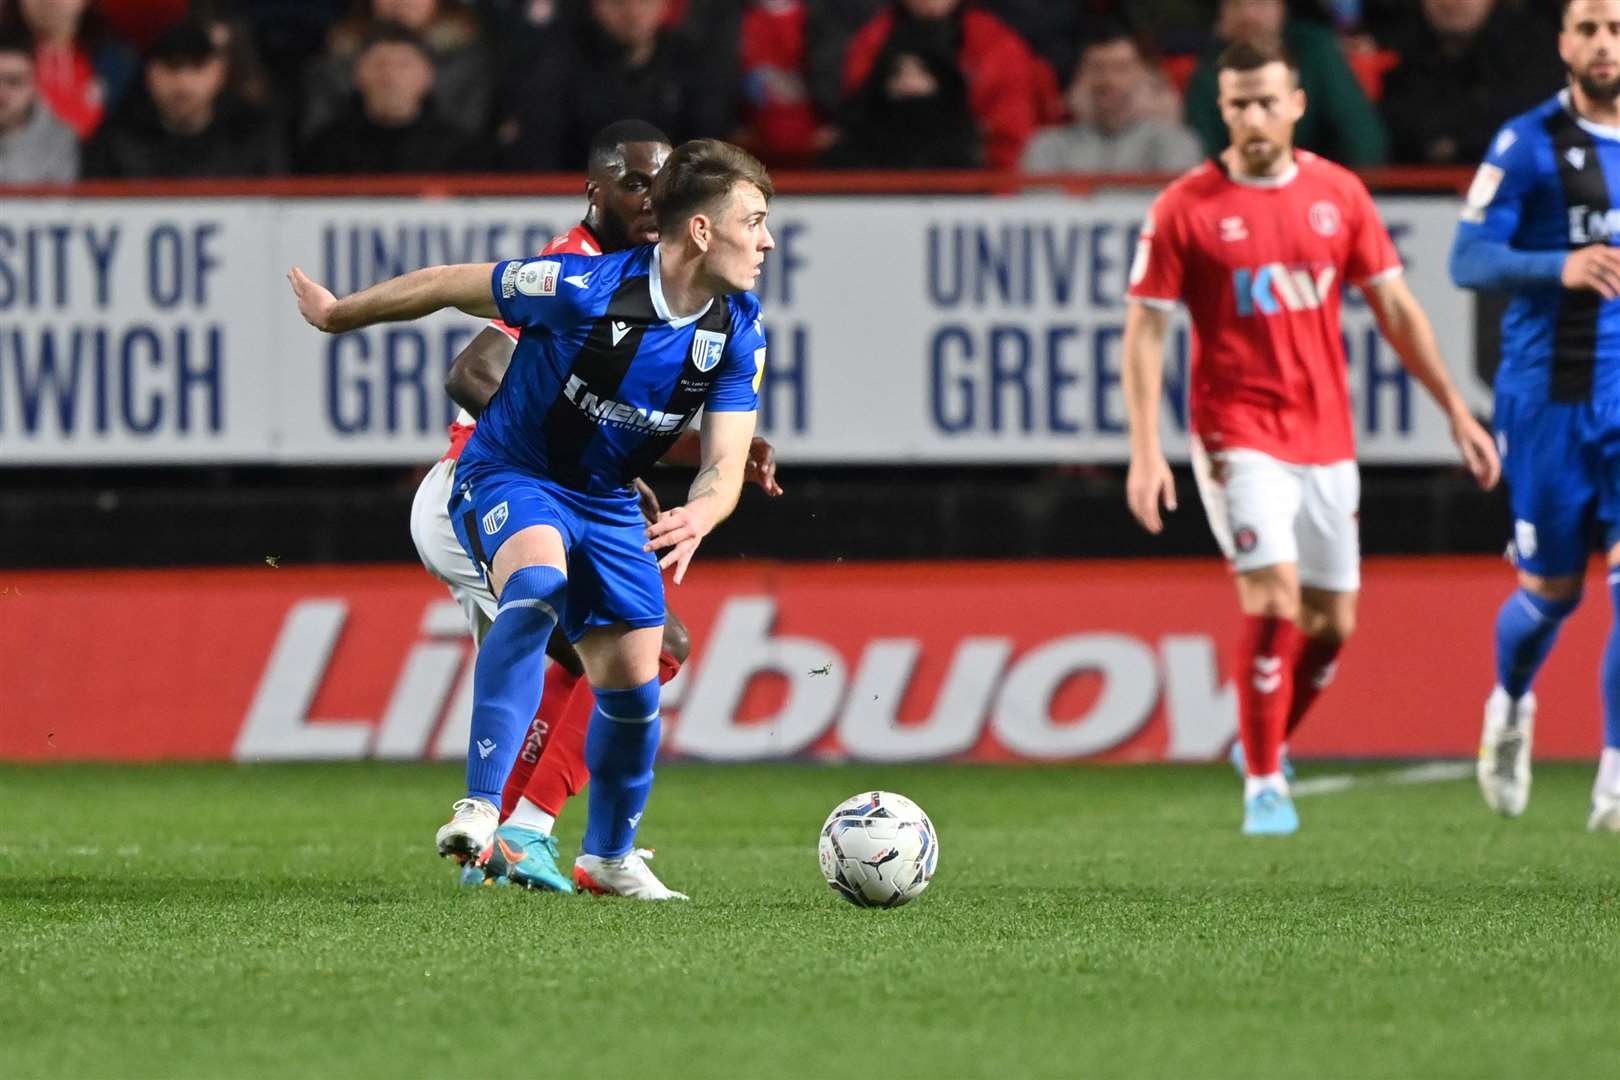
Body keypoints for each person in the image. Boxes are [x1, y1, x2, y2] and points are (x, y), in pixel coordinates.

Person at [292, 137, 775, 899]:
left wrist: (703, 514)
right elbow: (453, 285)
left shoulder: (737, 334)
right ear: (703, 232)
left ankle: (608, 857)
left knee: (634, 688)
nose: (770, 240)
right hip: (514, 472)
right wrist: (338, 315)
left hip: (608, 501)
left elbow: (723, 463)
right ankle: (483, 809)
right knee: (538, 585)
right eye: (755, 220)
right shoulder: (581, 285)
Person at [1122, 40, 1499, 836]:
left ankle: (1262, 742)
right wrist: (1147, 447)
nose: (1252, 118)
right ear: (1220, 110)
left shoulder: (1339, 194)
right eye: (1236, 105)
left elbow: (1395, 309)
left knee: (1333, 625)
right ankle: (1265, 783)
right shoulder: (1184, 207)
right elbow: (1146, 331)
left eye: (1265, 102)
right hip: (1236, 431)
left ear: (1296, 103)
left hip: (1325, 434)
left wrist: (1458, 411)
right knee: (1274, 598)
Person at [1450, 0, 1620, 830]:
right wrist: (1562, 264)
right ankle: (1510, 705)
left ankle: (1616, 781)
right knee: (1551, 593)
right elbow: (1467, 257)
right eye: (1588, 28)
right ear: (1562, 43)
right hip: (1548, 401)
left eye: (1617, 28)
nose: (1603, 43)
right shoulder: (1527, 144)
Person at [837, 0, 1059, 170]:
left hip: (973, 179)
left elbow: (1011, 136)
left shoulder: (996, 42)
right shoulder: (873, 38)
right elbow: (858, 115)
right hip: (881, 174)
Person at [1183, 0, 1389, 167]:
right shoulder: (1209, 71)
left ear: (1281, 8)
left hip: (1320, 189)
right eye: (1235, 4)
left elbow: (1360, 137)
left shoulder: (1315, 50)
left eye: (1259, 3)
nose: (1247, 14)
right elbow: (1207, 153)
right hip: (1237, 196)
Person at [83, 20, 283, 179]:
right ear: (150, 74)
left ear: (219, 73)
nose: (183, 82)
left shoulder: (251, 136)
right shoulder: (117, 140)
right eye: (171, 67)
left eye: (196, 67)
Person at [1380, 0, 1563, 166]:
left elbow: (1529, 122)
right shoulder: (1397, 49)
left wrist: (1457, 143)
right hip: (1411, 194)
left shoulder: (1534, 51)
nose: (1451, 3)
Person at [298, 22, 483, 175]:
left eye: (403, 66)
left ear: (427, 75)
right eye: (379, 65)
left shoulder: (460, 149)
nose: (390, 77)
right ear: (357, 75)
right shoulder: (326, 147)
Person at [1020, 21, 1203, 175]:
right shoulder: (1047, 146)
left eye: (1121, 68)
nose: (1108, 80)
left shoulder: (1176, 143)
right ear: (1078, 77)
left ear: (1147, 77)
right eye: (1096, 68)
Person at [0, 25, 78, 182]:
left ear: (34, 87)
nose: (2, 92)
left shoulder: (60, 138)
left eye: (14, 81)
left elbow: (60, 202)